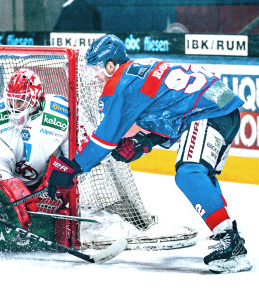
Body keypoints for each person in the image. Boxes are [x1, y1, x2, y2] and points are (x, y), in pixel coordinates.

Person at [45, 34, 251, 273]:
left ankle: (231, 244)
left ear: (111, 65)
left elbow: (104, 140)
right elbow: (174, 112)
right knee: (201, 174)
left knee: (189, 173)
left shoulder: (117, 84)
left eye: (97, 68)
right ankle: (226, 230)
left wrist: (74, 167)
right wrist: (145, 142)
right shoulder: (142, 68)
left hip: (209, 112)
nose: (95, 75)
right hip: (225, 110)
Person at [0, 68, 72, 229]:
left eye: (20, 102)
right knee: (1, 196)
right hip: (13, 183)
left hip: (49, 184)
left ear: (35, 99)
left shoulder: (61, 111)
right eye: (11, 100)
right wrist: (6, 194)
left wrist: (60, 182)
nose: (14, 107)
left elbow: (75, 158)